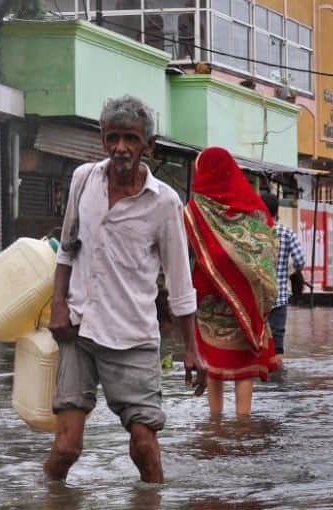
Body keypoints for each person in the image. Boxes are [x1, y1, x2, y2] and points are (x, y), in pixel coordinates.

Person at [44, 95, 207, 485]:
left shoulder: (165, 203)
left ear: (146, 146)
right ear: (102, 139)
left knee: (144, 447)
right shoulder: (83, 180)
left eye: (131, 139)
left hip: (133, 336)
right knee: (66, 448)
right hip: (79, 328)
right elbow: (66, 248)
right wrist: (58, 306)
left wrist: (191, 348)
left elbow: (180, 282)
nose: (121, 148)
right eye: (113, 137)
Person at [183, 147, 280, 418]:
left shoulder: (195, 210)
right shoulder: (255, 211)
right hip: (247, 298)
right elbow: (267, 251)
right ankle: (243, 425)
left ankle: (215, 426)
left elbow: (191, 253)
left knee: (213, 364)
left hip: (208, 295)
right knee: (242, 366)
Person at [260, 191, 304, 366]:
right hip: (279, 297)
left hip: (256, 300)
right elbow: (300, 260)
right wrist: (289, 271)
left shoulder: (252, 234)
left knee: (256, 342)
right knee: (277, 343)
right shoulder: (286, 233)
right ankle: (278, 383)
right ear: (276, 210)